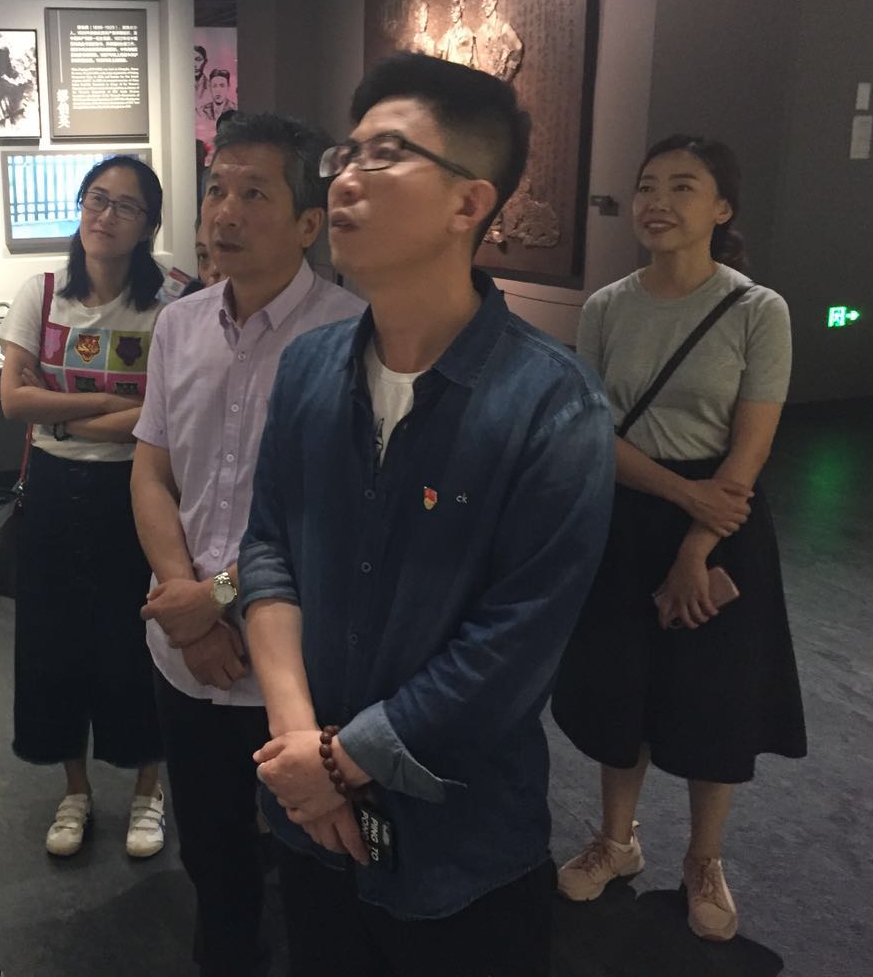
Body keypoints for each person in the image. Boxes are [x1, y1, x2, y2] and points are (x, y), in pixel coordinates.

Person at [238, 52, 615, 976]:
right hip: (310, 825)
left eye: (387, 154)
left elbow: (512, 647)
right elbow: (270, 549)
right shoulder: (308, 368)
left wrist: (336, 764)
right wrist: (299, 744)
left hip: (463, 847)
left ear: (468, 203)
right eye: (347, 153)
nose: (345, 179)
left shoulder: (552, 406)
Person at [551, 135, 806, 941]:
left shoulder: (758, 310)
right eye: (647, 186)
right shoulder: (606, 306)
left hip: (722, 523)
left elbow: (750, 448)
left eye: (683, 187)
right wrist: (677, 492)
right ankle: (616, 840)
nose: (658, 203)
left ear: (722, 208)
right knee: (620, 686)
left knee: (712, 696)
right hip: (628, 511)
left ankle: (704, 859)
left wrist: (697, 546)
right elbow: (592, 430)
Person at [131, 113, 365, 977]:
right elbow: (152, 471)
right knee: (212, 854)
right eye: (216, 191)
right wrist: (184, 603)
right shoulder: (180, 325)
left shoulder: (352, 337)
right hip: (185, 654)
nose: (225, 212)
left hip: (297, 658)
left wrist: (217, 598)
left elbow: (333, 516)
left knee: (316, 863)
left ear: (308, 224)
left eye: (254, 193)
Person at [0, 155, 169, 860]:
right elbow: (15, 402)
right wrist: (106, 404)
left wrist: (62, 413)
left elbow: (165, 415)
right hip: (54, 493)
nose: (106, 215)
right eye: (97, 199)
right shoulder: (40, 294)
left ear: (148, 226)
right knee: (53, 645)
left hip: (139, 491)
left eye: (126, 206)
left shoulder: (173, 302)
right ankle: (74, 790)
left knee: (136, 641)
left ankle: (149, 789)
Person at [435, 0, 476, 67]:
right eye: (451, 7)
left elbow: (465, 61)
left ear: (461, 7)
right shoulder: (449, 33)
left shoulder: (467, 32)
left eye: (455, 5)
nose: (452, 11)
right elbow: (438, 49)